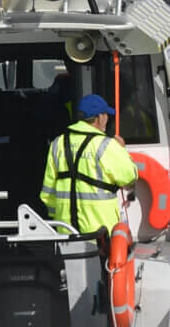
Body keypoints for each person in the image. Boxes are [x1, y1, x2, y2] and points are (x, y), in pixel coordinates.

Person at [39, 93, 138, 238]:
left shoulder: (57, 144)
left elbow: (47, 194)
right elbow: (130, 176)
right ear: (99, 118)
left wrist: (59, 218)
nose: (107, 119)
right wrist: (122, 150)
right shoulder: (107, 145)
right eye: (106, 115)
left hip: (65, 232)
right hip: (100, 233)